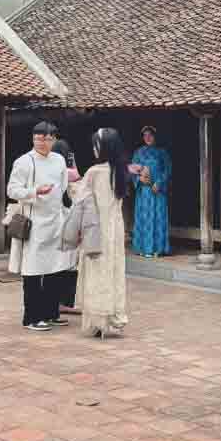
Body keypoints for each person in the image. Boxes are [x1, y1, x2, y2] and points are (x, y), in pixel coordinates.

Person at [7, 120, 73, 331]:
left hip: (56, 221)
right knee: (33, 271)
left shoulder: (59, 160)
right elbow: (12, 190)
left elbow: (63, 188)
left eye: (47, 139)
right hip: (35, 224)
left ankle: (51, 313)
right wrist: (34, 191)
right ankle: (32, 317)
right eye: (38, 138)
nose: (42, 143)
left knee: (56, 269)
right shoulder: (24, 162)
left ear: (54, 140)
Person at [73, 128, 130, 338]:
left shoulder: (94, 172)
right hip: (115, 228)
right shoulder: (121, 171)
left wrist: (72, 184)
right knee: (114, 271)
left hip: (96, 229)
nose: (94, 149)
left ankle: (97, 321)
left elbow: (80, 199)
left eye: (96, 145)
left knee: (96, 272)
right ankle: (113, 318)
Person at [130, 126, 172, 258]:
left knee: (158, 218)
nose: (147, 138)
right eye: (145, 135)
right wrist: (139, 179)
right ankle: (144, 248)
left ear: (155, 136)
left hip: (157, 191)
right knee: (145, 218)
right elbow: (132, 170)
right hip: (144, 192)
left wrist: (159, 183)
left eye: (150, 135)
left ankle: (158, 249)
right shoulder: (138, 153)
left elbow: (167, 170)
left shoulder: (162, 153)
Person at [51, 139, 82, 313]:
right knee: (70, 264)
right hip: (67, 222)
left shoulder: (49, 170)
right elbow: (77, 180)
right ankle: (64, 303)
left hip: (55, 223)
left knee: (58, 264)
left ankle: (57, 302)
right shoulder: (69, 172)